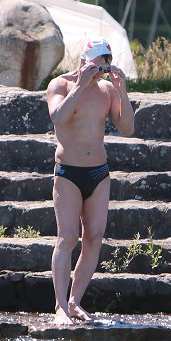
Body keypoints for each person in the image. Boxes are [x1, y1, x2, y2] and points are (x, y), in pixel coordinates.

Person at [46, 38, 135, 324]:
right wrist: (81, 84)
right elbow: (58, 117)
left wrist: (122, 91)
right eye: (99, 63)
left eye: (106, 64)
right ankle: (59, 307)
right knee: (68, 236)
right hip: (68, 172)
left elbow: (128, 128)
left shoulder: (107, 91)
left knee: (94, 238)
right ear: (86, 61)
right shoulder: (60, 85)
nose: (103, 70)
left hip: (99, 173)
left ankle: (74, 302)